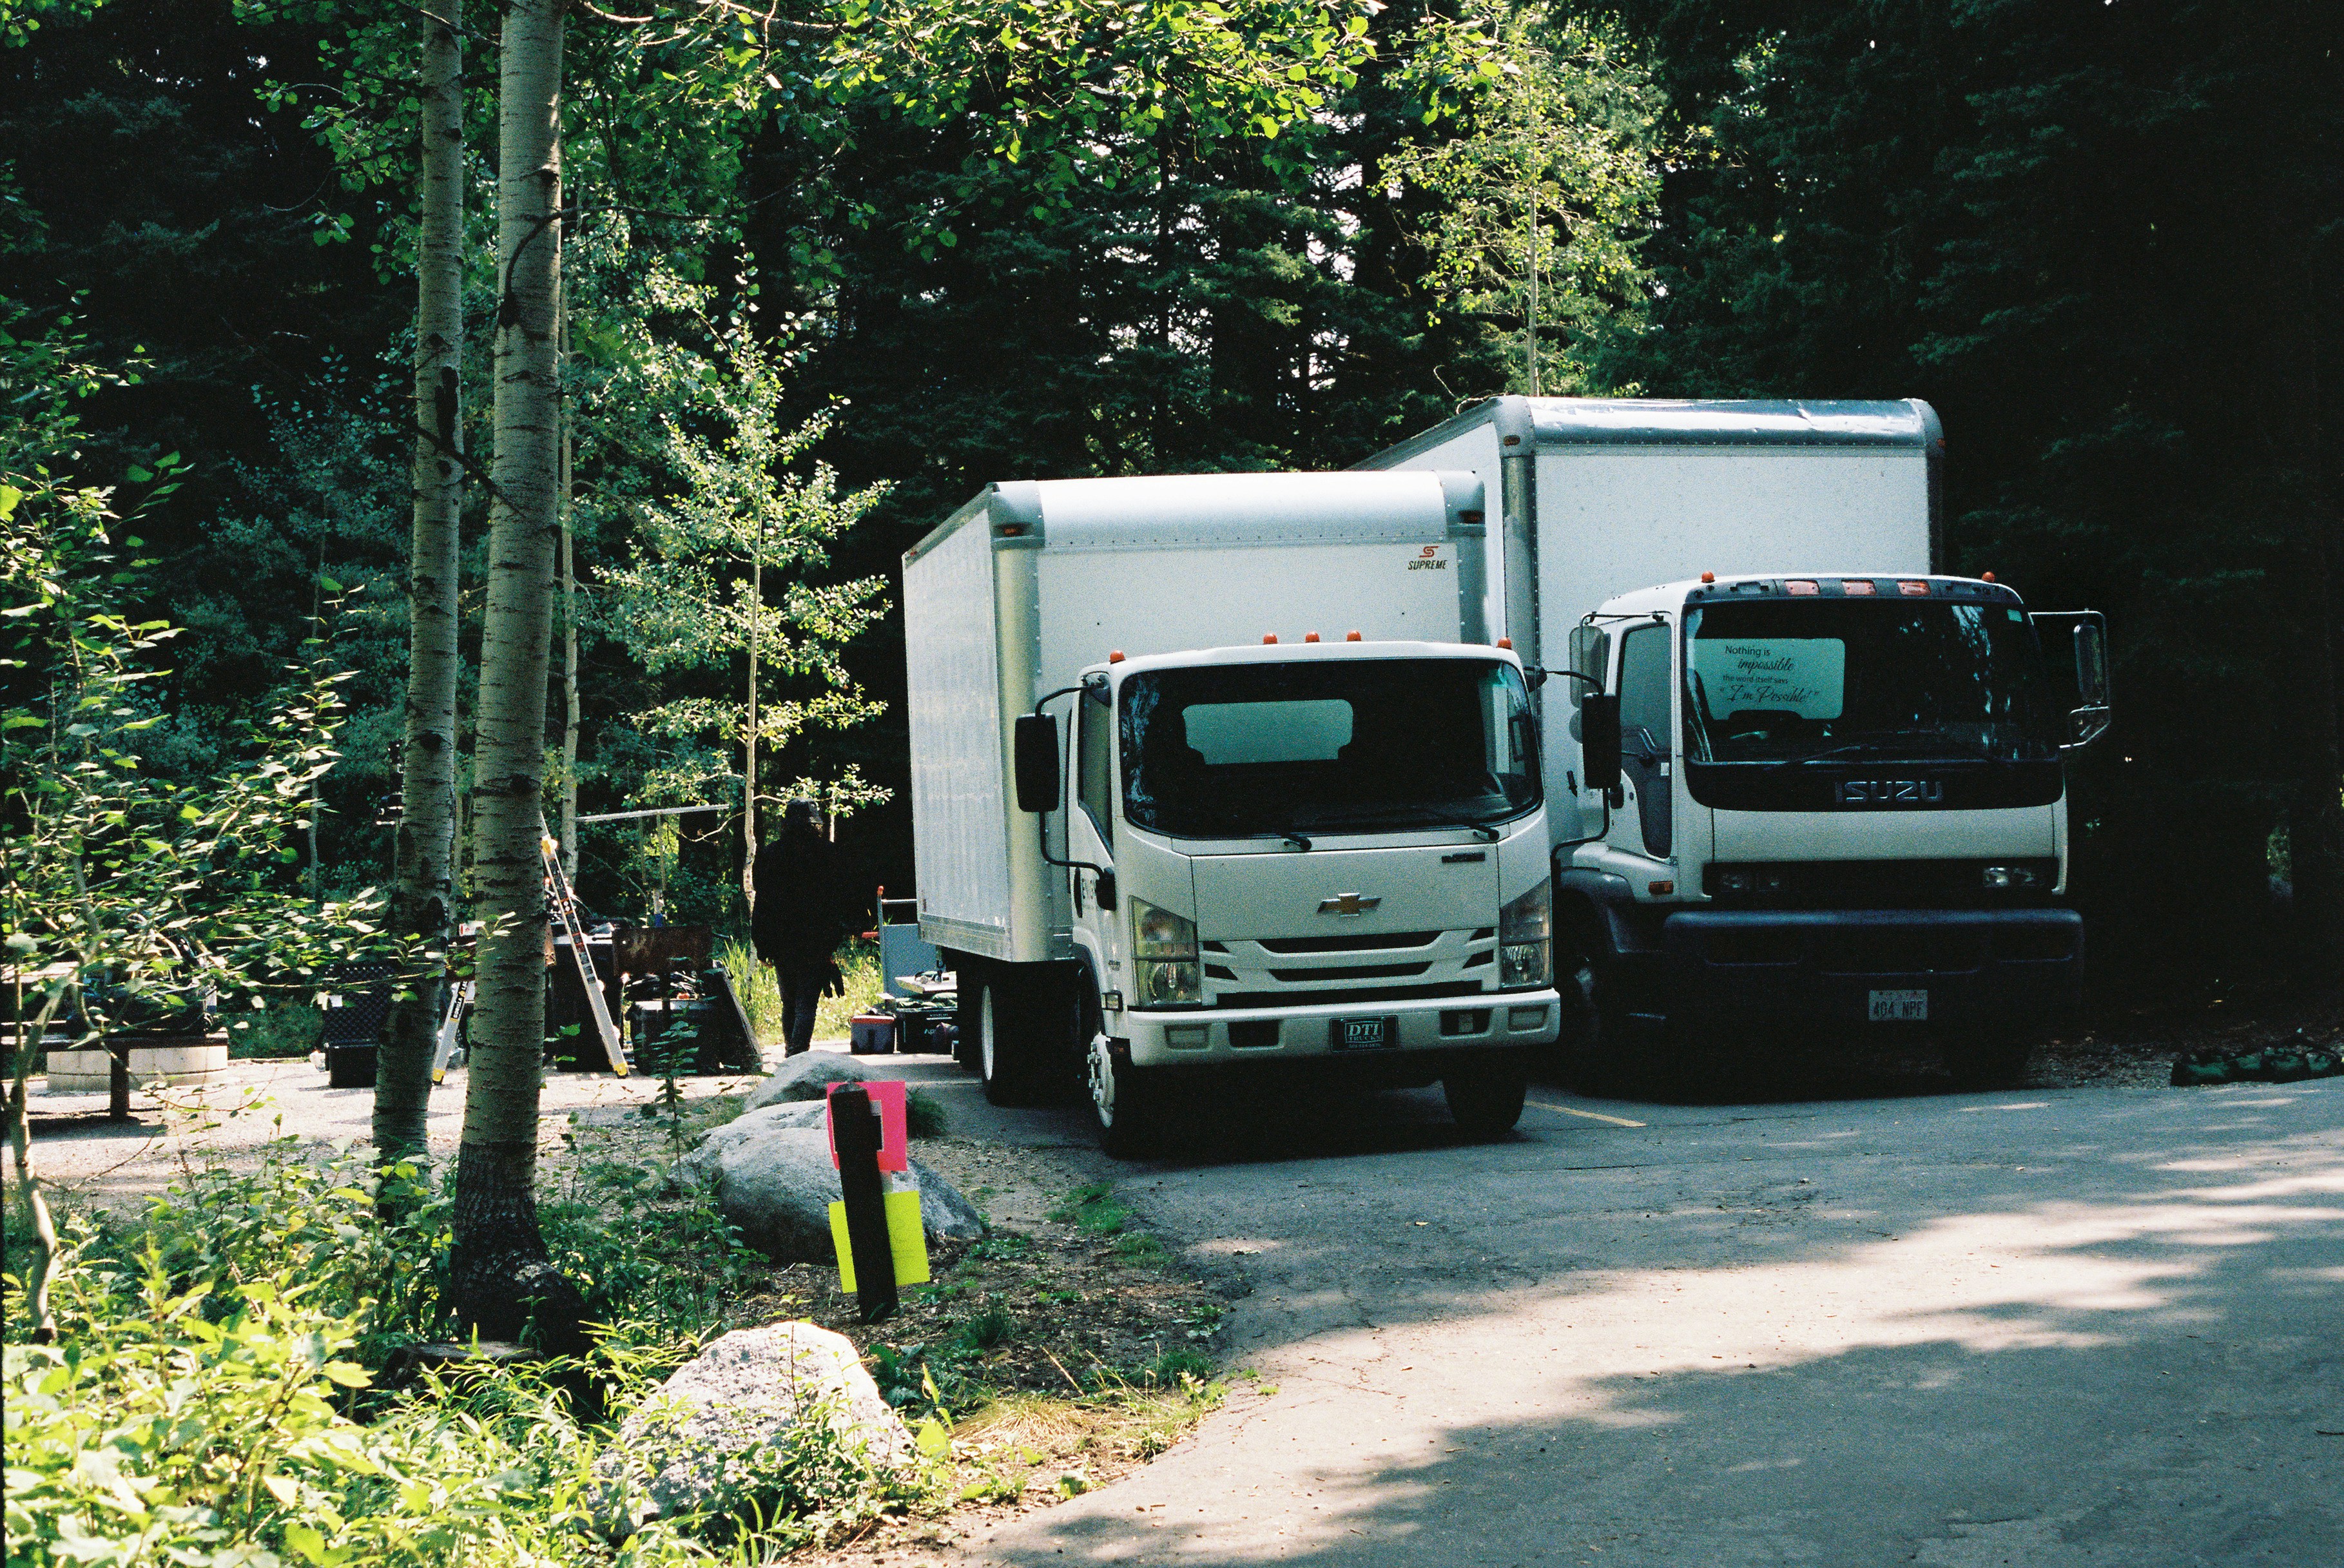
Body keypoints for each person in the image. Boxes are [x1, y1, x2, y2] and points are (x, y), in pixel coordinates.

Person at [751, 800, 848, 1056]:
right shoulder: (829, 853)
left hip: (783, 943)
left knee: (790, 1003)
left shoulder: (772, 854)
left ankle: (791, 1053)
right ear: (815, 824)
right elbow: (837, 903)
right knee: (806, 1004)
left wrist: (763, 945)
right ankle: (797, 1053)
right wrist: (832, 942)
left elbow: (763, 905)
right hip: (816, 943)